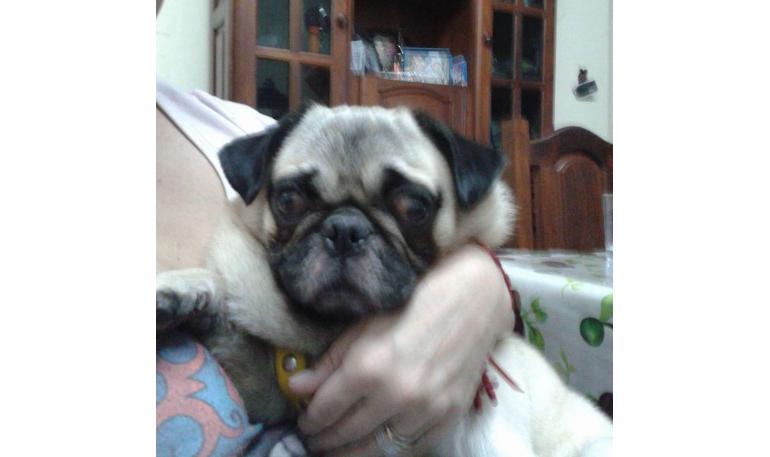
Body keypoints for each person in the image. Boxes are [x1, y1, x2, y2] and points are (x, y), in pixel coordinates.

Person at [156, 30, 517, 457]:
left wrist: (484, 283)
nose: (345, 235)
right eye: (293, 203)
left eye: (409, 209)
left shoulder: (241, 126)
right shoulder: (279, 145)